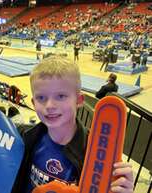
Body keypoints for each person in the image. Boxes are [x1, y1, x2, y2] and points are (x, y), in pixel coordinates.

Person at [10, 56, 133, 193]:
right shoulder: (25, 136)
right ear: (33, 103)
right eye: (41, 98)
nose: (50, 106)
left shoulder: (99, 153)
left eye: (61, 96)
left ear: (79, 100)